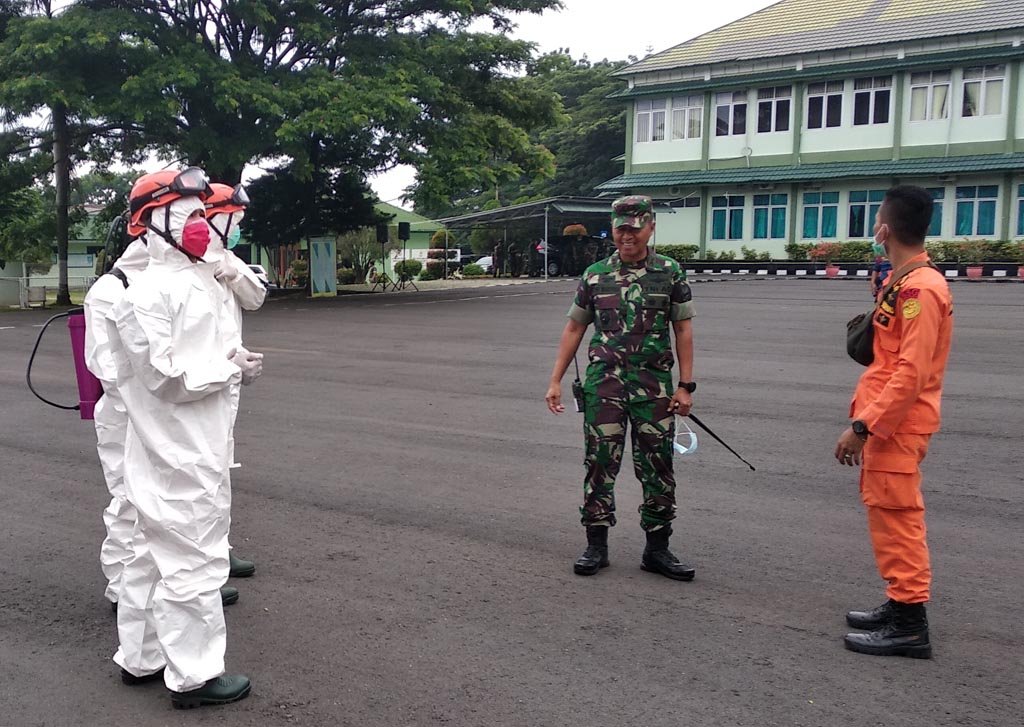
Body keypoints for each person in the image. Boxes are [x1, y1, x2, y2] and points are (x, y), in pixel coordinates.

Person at [107, 167, 258, 707]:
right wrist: (231, 369)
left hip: (184, 443)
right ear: (156, 222)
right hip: (179, 449)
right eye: (192, 216)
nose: (203, 226)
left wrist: (229, 359)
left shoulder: (192, 280)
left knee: (151, 558)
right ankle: (193, 678)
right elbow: (166, 377)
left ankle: (141, 657)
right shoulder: (142, 292)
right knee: (192, 564)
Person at [84, 237, 242, 611]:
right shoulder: (112, 290)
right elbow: (110, 368)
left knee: (166, 512)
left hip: (163, 418)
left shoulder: (168, 284)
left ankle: (174, 588)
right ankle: (123, 588)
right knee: (129, 502)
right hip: (127, 418)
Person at [545, 195, 697, 581]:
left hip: (653, 388)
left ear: (650, 228)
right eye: (621, 229)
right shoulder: (595, 274)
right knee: (599, 464)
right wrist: (555, 380)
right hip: (604, 387)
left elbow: (683, 329)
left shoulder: (670, 272)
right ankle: (596, 545)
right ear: (613, 230)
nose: (627, 235)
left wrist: (685, 386)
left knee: (658, 467)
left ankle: (657, 550)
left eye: (635, 227)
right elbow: (575, 327)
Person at [834, 185, 954, 659]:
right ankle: (898, 601)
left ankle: (909, 624)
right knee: (887, 515)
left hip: (895, 424)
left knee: (899, 517)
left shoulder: (921, 290)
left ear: (885, 227)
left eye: (876, 218)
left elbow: (912, 371)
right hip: (890, 419)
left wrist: (864, 427)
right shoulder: (906, 281)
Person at [205, 182, 267, 578]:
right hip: (199, 380)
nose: (240, 227)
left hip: (226, 378)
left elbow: (256, 297)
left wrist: (232, 271)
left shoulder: (226, 258)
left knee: (221, 466)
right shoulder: (188, 264)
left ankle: (219, 550)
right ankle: (202, 563)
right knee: (202, 471)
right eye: (236, 220)